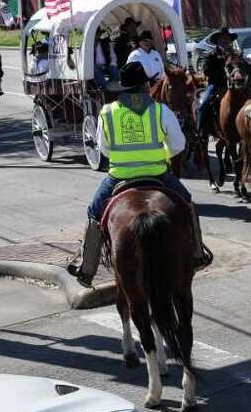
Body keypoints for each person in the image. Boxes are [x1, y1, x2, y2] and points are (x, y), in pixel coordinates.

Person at [68, 64, 211, 286]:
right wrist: (161, 155)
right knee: (188, 204)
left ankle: (87, 268)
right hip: (158, 174)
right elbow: (178, 144)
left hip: (119, 176)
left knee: (94, 212)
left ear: (122, 87)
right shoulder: (160, 110)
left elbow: (103, 149)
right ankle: (197, 253)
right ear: (145, 86)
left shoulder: (107, 112)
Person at [197, 27, 237, 128]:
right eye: (222, 39)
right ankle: (200, 129)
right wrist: (224, 74)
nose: (225, 41)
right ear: (217, 41)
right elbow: (206, 71)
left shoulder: (235, 55)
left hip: (235, 85)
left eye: (227, 39)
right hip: (216, 85)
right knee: (204, 104)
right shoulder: (211, 55)